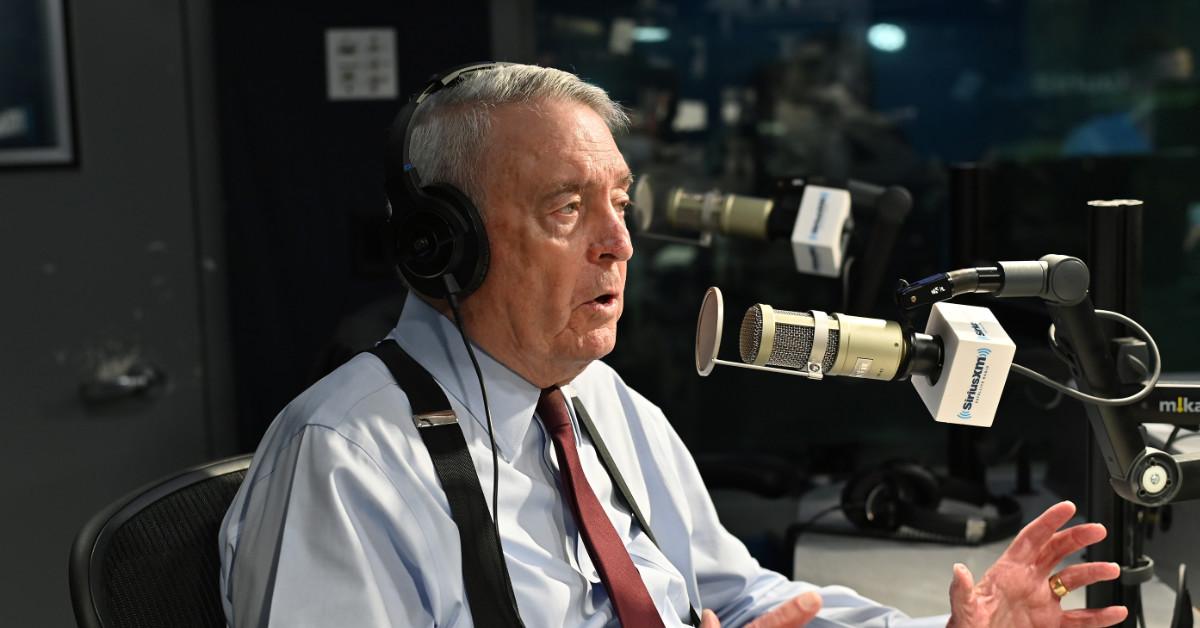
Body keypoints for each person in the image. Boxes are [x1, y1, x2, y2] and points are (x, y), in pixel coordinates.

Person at [219, 63, 1128, 627]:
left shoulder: (604, 405)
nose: (616, 242)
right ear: (444, 243)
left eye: (620, 203)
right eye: (566, 209)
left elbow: (741, 599)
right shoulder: (340, 462)